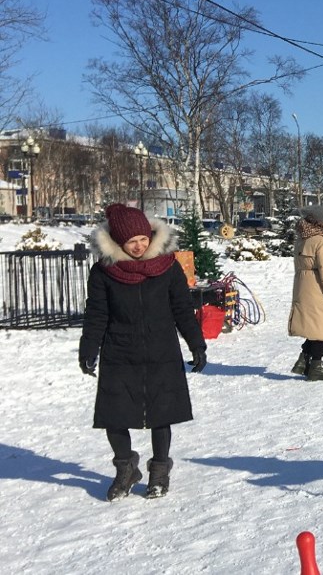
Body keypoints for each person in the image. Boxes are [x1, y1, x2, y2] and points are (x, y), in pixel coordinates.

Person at [79, 204, 206, 501]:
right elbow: (96, 313)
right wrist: (89, 348)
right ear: (119, 243)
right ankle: (125, 467)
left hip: (161, 349)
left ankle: (159, 470)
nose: (138, 246)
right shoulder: (105, 271)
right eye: (130, 241)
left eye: (142, 239)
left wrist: (196, 343)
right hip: (119, 350)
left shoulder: (168, 266)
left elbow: (182, 310)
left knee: (162, 414)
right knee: (114, 414)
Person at [288, 204, 323, 380]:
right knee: (322, 329)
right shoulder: (321, 242)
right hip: (319, 289)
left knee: (313, 327)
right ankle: (315, 367)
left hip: (303, 287)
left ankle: (303, 361)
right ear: (320, 222)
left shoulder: (303, 238)